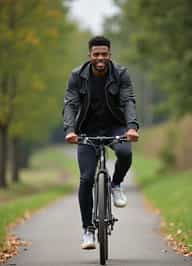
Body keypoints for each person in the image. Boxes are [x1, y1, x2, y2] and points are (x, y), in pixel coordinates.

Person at [63, 36, 139, 249]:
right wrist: (70, 131)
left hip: (115, 126)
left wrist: (132, 127)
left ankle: (115, 184)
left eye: (104, 54)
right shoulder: (77, 76)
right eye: (96, 54)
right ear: (90, 55)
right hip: (87, 130)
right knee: (86, 178)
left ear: (110, 55)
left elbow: (127, 100)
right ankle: (87, 229)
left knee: (124, 153)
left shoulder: (121, 73)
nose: (100, 58)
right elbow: (70, 104)